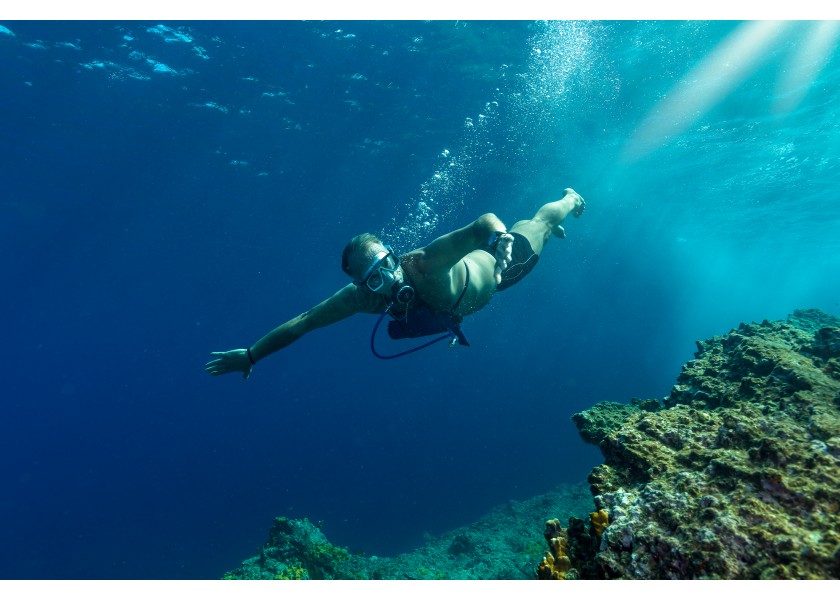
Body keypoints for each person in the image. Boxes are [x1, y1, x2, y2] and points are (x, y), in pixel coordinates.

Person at [205, 188, 585, 378]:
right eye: (373, 278)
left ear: (392, 253)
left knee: (538, 225)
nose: (387, 279)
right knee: (531, 228)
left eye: (386, 265)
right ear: (360, 282)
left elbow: (482, 222)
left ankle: (570, 198)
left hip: (502, 267)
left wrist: (499, 238)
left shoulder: (424, 263)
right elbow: (305, 321)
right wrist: (252, 354)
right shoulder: (358, 300)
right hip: (461, 302)